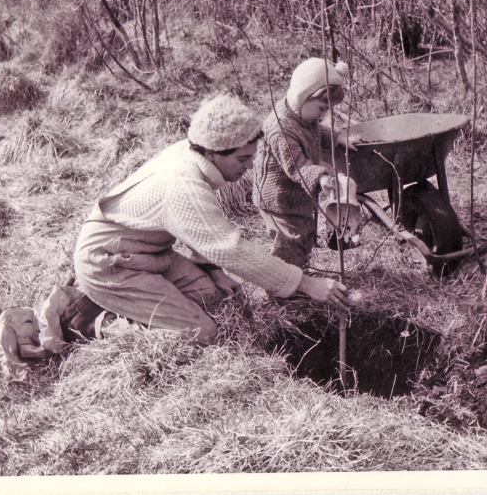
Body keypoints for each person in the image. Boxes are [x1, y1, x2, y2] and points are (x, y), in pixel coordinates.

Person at [73, 94, 351, 346]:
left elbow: (196, 226)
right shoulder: (182, 185)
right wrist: (304, 283)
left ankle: (134, 305)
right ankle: (101, 323)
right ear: (211, 153)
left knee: (220, 300)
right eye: (243, 158)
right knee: (203, 333)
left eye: (253, 156)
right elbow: (229, 249)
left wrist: (213, 270)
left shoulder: (194, 153)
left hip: (150, 254)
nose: (250, 166)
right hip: (108, 263)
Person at [252, 57, 359, 269]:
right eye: (321, 109)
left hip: (296, 196)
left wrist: (336, 136)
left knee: (306, 233)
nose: (323, 115)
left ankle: (299, 272)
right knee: (290, 241)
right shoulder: (280, 129)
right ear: (305, 97)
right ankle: (282, 286)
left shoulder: (301, 116)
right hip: (279, 199)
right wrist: (321, 177)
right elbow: (297, 167)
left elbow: (316, 130)